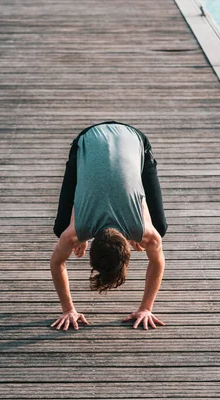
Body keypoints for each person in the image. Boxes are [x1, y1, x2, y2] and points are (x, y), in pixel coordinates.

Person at [49, 121, 168, 330]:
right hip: (88, 141)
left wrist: (146, 308)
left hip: (133, 139)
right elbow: (157, 262)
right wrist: (81, 235)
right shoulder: (77, 231)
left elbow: (57, 262)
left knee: (159, 227)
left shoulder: (77, 230)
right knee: (62, 229)